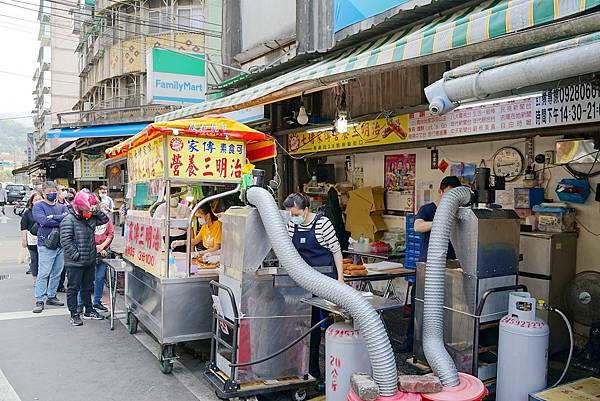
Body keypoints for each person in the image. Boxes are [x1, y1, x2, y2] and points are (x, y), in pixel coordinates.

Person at [283, 192, 344, 392]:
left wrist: (340, 281)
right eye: (290, 214)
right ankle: (311, 371)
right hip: (302, 281)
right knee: (306, 327)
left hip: (324, 281)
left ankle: (332, 374)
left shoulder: (322, 223)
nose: (293, 217)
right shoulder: (292, 224)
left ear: (306, 209)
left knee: (325, 326)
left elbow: (336, 251)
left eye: (295, 213)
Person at [397, 175, 462, 353]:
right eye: (448, 194)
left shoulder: (458, 212)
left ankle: (441, 344)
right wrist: (439, 222)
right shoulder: (428, 209)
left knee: (446, 307)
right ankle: (410, 341)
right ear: (440, 192)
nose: (451, 199)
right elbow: (417, 227)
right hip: (427, 266)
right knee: (419, 305)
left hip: (450, 267)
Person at [60, 191, 109, 326]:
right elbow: (65, 241)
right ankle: (74, 314)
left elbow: (104, 219)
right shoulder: (68, 219)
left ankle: (89, 310)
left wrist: (95, 209)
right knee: (73, 288)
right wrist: (77, 256)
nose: (88, 212)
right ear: (79, 207)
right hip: (75, 262)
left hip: (89, 260)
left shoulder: (90, 217)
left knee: (87, 287)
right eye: (86, 209)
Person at [32, 181, 68, 313]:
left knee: (57, 273)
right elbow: (43, 221)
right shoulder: (38, 206)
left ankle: (51, 296)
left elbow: (67, 219)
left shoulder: (62, 206)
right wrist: (58, 219)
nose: (52, 194)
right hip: (46, 244)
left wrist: (52, 217)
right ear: (43, 193)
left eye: (54, 191)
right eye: (49, 192)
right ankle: (39, 299)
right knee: (44, 273)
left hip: (61, 244)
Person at [76, 196, 114, 313]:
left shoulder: (104, 218)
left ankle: (97, 302)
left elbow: (110, 234)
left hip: (103, 252)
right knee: (84, 280)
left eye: (95, 204)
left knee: (100, 278)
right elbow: (83, 236)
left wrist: (102, 247)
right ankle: (80, 303)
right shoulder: (83, 218)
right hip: (89, 252)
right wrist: (95, 248)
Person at [21, 192, 43, 282]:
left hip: (44, 240)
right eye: (36, 200)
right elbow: (23, 227)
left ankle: (43, 279)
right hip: (32, 240)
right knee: (34, 259)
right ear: (32, 202)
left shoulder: (45, 211)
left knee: (43, 260)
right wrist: (24, 240)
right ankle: (35, 278)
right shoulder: (28, 213)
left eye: (39, 199)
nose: (38, 201)